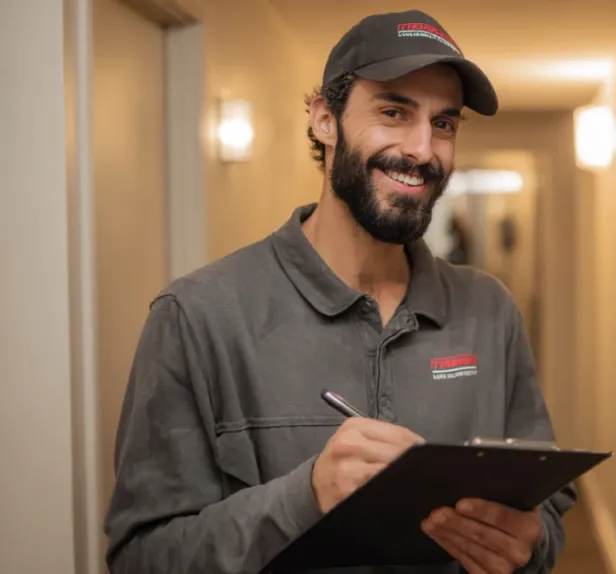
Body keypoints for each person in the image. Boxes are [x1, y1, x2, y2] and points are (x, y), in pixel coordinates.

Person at [103, 9, 574, 574]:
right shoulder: (198, 316)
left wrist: (530, 544)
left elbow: (543, 507)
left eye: (444, 123)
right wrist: (306, 495)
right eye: (394, 111)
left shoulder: (489, 309)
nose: (423, 150)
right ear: (325, 120)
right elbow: (142, 558)